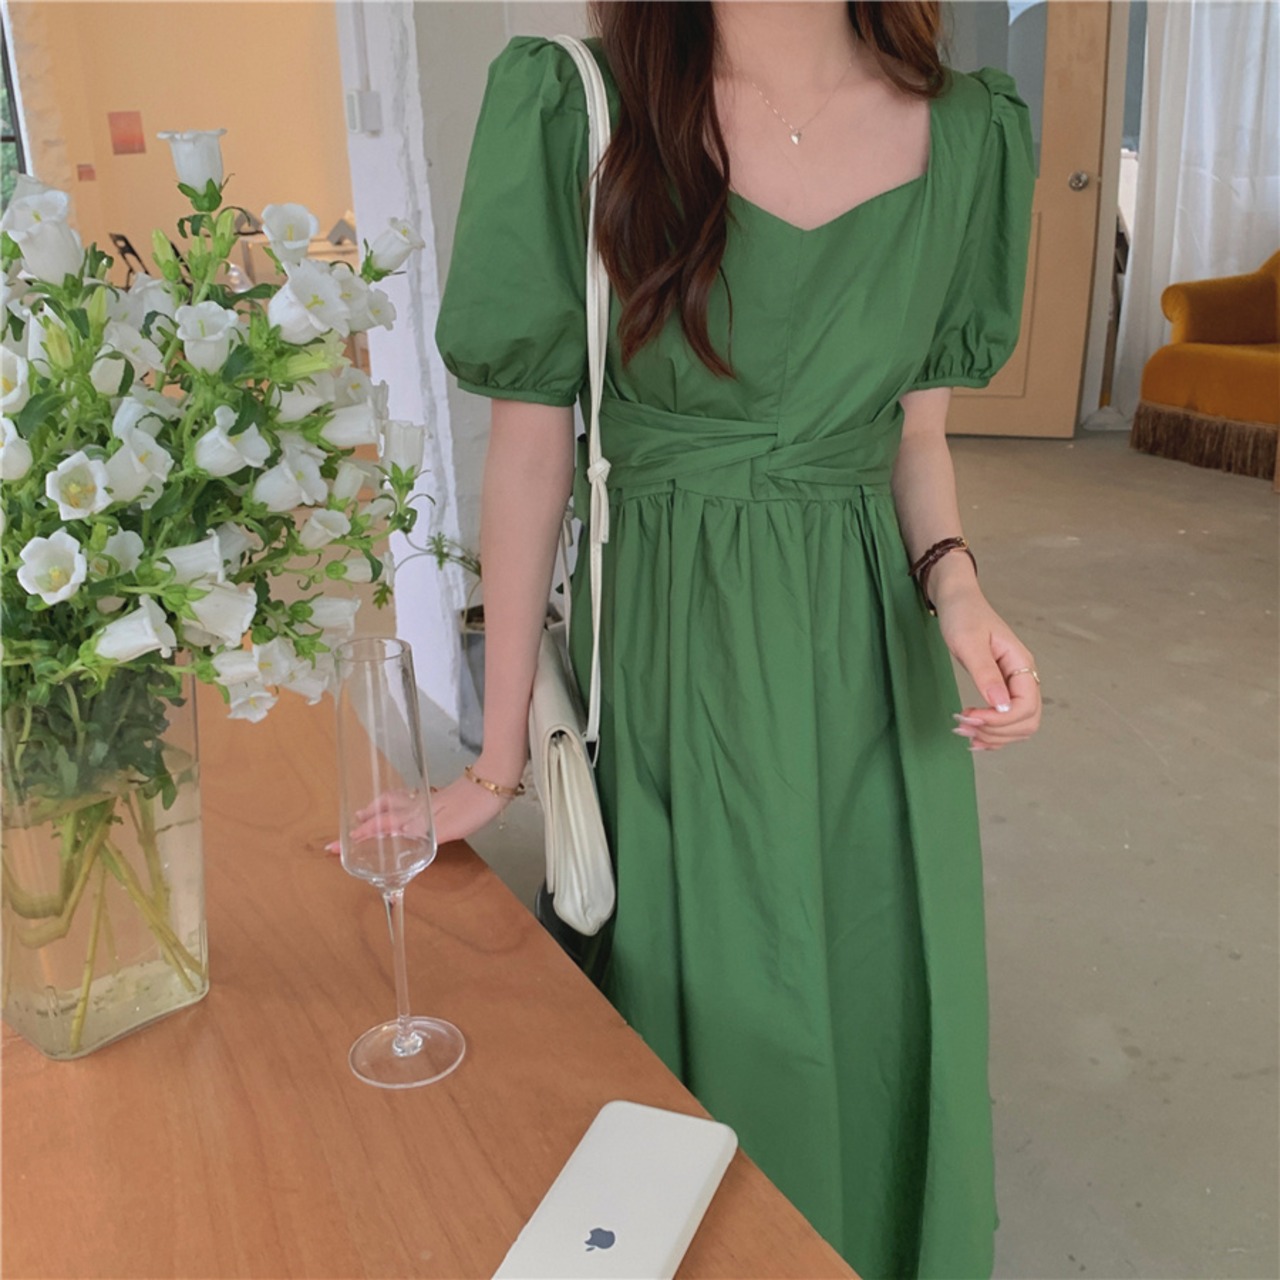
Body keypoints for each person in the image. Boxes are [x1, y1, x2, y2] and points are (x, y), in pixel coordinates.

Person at [428, 3, 1042, 1276]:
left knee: (876, 981)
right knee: (705, 1001)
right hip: (673, 646)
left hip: (866, 652)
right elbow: (530, 457)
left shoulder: (967, 134)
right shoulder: (578, 109)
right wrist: (496, 761)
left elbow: (913, 434)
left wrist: (957, 592)